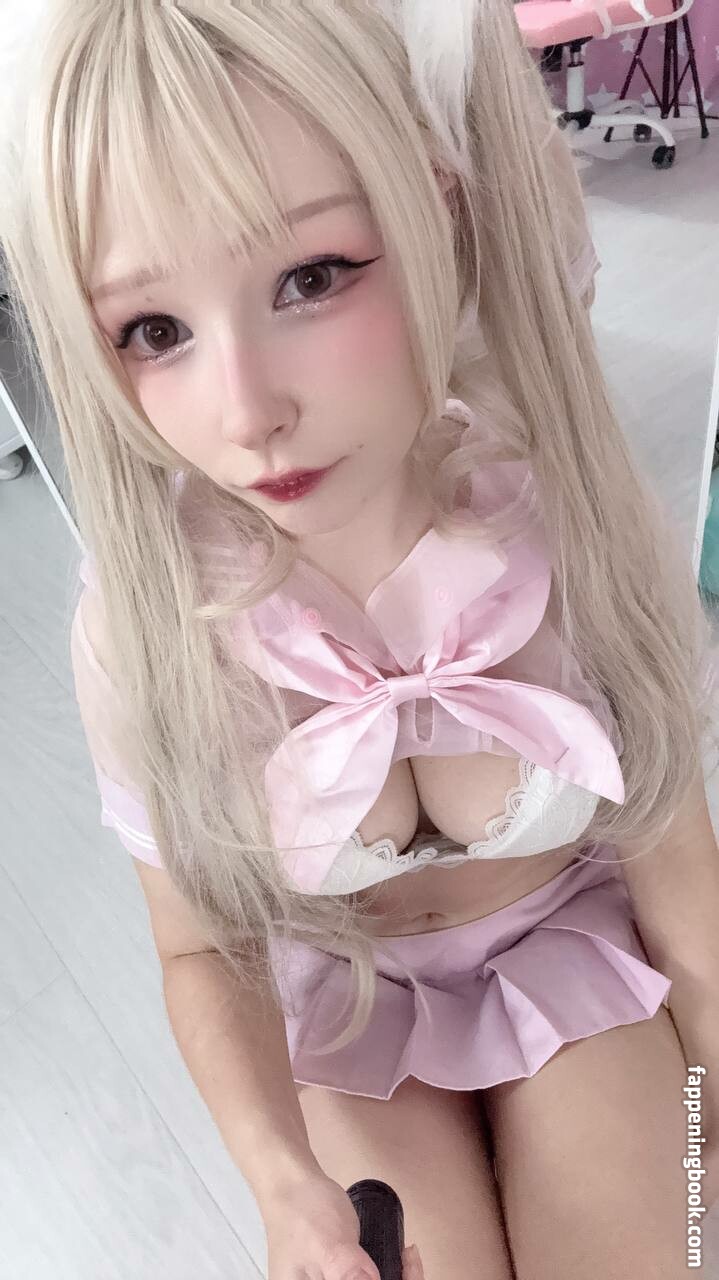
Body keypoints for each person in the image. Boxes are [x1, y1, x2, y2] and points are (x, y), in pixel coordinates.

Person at [2, 2, 718, 1276]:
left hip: (571, 954)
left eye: (311, 276)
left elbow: (672, 851)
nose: (246, 411)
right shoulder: (148, 626)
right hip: (350, 1009)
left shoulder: (567, 520)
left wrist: (709, 1099)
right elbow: (200, 943)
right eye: (154, 330)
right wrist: (281, 1185)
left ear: (432, 208)